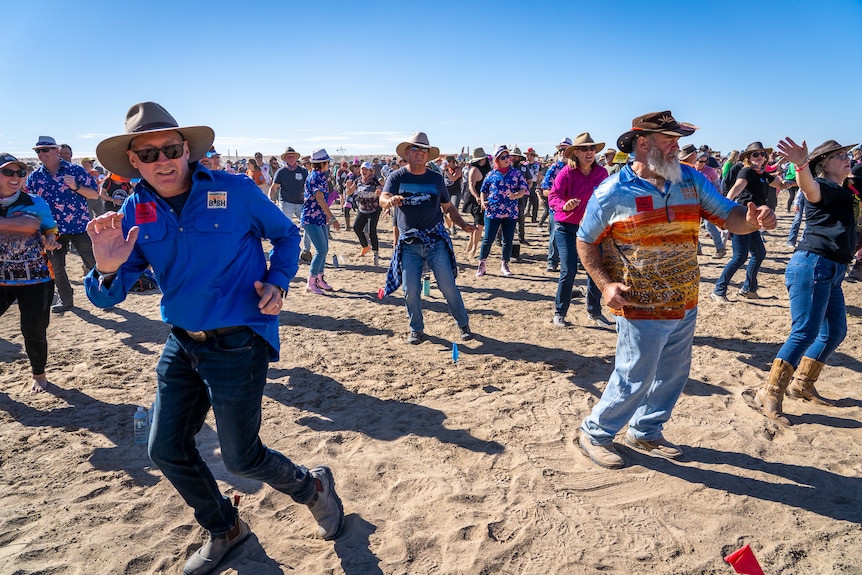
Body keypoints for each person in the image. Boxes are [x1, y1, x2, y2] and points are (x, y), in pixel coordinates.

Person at [84, 102, 344, 574]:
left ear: (187, 150)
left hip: (238, 340)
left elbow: (287, 236)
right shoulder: (134, 208)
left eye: (171, 148)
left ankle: (314, 488)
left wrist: (278, 281)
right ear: (134, 162)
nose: (162, 160)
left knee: (243, 458)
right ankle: (225, 527)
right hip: (182, 341)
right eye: (148, 153)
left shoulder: (236, 189)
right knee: (164, 448)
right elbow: (110, 297)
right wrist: (105, 268)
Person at [575, 111, 776, 469]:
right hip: (639, 303)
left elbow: (729, 215)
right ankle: (595, 432)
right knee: (635, 373)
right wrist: (604, 286)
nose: (676, 147)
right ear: (642, 144)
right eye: (669, 141)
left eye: (677, 141)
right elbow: (585, 242)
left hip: (684, 298)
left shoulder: (691, 181)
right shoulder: (611, 192)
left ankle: (646, 430)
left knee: (673, 373)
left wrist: (753, 220)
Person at [754, 139, 858, 424]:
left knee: (834, 331)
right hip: (813, 265)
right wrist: (801, 165)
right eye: (838, 156)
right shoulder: (822, 186)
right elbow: (808, 188)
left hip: (834, 269)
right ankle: (770, 391)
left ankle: (802, 383)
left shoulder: (847, 189)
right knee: (805, 332)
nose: (846, 158)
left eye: (846, 154)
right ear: (823, 165)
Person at [380, 132, 476, 344]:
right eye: (416, 149)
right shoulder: (396, 177)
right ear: (407, 152)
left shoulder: (435, 178)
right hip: (409, 243)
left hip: (435, 240)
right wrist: (390, 201)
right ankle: (416, 329)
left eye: (424, 150)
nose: (420, 153)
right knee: (410, 290)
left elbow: (448, 207)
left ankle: (463, 325)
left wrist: (462, 224)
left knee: (448, 286)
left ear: (428, 155)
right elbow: (383, 198)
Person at [0, 153, 61, 393]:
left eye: (20, 172)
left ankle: (39, 374)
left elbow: (51, 228)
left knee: (33, 329)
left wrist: (50, 239)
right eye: (8, 172)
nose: (15, 177)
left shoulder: (35, 202)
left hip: (36, 277)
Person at [25, 136, 99, 313]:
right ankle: (66, 300)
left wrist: (76, 187)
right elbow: (30, 207)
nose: (41, 154)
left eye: (45, 149)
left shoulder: (76, 171)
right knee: (57, 268)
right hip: (52, 231)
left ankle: (103, 296)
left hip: (79, 226)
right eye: (38, 151)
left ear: (56, 151)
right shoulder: (34, 178)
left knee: (92, 263)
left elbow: (95, 195)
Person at [547, 133, 609, 327]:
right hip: (566, 227)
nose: (589, 152)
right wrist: (565, 205)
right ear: (576, 153)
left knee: (595, 269)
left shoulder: (602, 173)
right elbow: (553, 196)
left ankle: (594, 311)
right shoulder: (566, 173)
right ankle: (560, 312)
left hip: (592, 228)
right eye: (584, 149)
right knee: (569, 269)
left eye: (591, 149)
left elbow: (607, 198)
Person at [711, 142, 785, 302]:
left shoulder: (762, 174)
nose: (760, 157)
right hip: (742, 218)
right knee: (740, 256)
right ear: (748, 158)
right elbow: (736, 188)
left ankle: (749, 289)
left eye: (762, 154)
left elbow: (781, 184)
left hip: (754, 221)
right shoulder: (747, 172)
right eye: (755, 154)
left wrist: (803, 173)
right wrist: (723, 209)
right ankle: (718, 290)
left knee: (759, 253)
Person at [475, 146, 529, 278]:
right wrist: (482, 201)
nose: (507, 159)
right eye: (503, 157)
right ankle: (482, 264)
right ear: (497, 160)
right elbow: (483, 190)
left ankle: (505, 264)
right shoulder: (491, 174)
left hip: (510, 212)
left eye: (508, 157)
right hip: (493, 211)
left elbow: (524, 189)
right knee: (488, 239)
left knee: (508, 240)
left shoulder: (516, 173)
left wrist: (515, 196)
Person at [302, 149, 341, 294]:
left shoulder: (321, 176)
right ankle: (311, 281)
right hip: (311, 218)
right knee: (321, 250)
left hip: (319, 217)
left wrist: (326, 217)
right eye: (328, 162)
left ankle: (319, 278)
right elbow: (319, 199)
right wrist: (332, 218)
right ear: (322, 163)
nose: (329, 164)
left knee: (324, 249)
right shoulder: (316, 177)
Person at [269, 146, 311, 261]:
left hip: (301, 203)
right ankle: (285, 250)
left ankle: (306, 251)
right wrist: (270, 201)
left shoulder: (303, 171)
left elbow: (309, 187)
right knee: (285, 226)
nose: (291, 158)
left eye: (293, 156)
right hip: (286, 202)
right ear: (285, 159)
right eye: (289, 157)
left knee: (308, 225)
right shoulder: (281, 172)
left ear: (296, 158)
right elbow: (274, 188)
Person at [541, 137, 572, 272]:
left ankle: (575, 261)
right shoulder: (553, 168)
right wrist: (560, 198)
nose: (561, 152)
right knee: (555, 235)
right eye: (560, 149)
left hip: (575, 210)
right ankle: (552, 261)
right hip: (557, 210)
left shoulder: (577, 168)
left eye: (564, 149)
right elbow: (545, 190)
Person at [345, 161, 382, 258]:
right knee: (356, 227)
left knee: (371, 231)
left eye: (366, 169)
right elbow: (349, 192)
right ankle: (365, 246)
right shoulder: (358, 181)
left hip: (374, 209)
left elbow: (379, 188)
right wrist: (348, 187)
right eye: (362, 169)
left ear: (370, 171)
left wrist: (379, 191)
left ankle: (375, 251)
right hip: (363, 209)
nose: (364, 171)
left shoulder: (374, 181)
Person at [463, 148, 490, 256]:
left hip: (481, 198)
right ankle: (473, 248)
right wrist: (477, 197)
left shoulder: (484, 169)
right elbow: (471, 186)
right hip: (475, 199)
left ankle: (470, 246)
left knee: (477, 223)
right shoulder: (474, 170)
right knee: (479, 224)